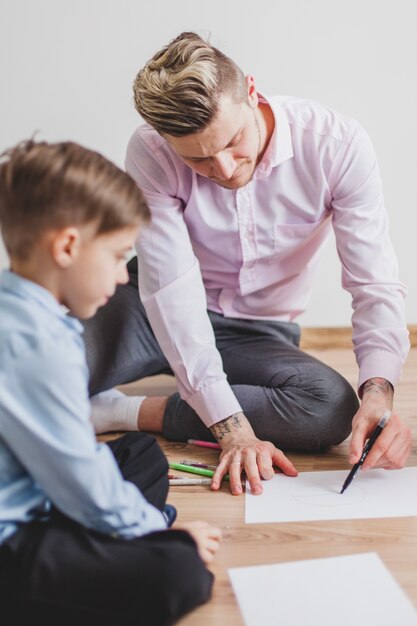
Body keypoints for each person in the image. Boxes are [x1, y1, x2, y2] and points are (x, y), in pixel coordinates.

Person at [83, 31, 411, 498]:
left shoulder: (337, 145)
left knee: (330, 408)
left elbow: (373, 283)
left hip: (258, 331)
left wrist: (378, 394)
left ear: (252, 92)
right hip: (148, 308)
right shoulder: (151, 151)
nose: (225, 168)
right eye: (197, 159)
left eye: (234, 140)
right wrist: (232, 430)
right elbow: (171, 292)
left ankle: (120, 412)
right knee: (33, 370)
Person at [0, 139, 221, 626]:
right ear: (67, 247)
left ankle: (107, 541)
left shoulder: (19, 310)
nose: (124, 277)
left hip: (38, 489)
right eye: (120, 255)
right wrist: (157, 536)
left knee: (141, 455)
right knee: (183, 574)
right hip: (13, 540)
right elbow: (78, 477)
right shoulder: (37, 346)